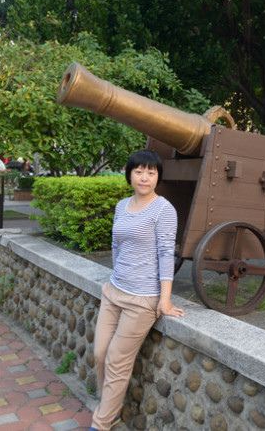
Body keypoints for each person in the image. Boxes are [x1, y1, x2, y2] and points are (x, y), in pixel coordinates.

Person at [90, 150, 185, 431]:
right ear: (129, 174)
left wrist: (164, 300)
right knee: (99, 354)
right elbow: (117, 245)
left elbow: (167, 254)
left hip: (142, 299)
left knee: (118, 360)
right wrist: (116, 276)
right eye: (139, 171)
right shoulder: (122, 206)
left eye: (151, 172)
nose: (145, 177)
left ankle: (102, 422)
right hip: (114, 290)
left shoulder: (164, 210)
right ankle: (111, 407)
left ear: (158, 177)